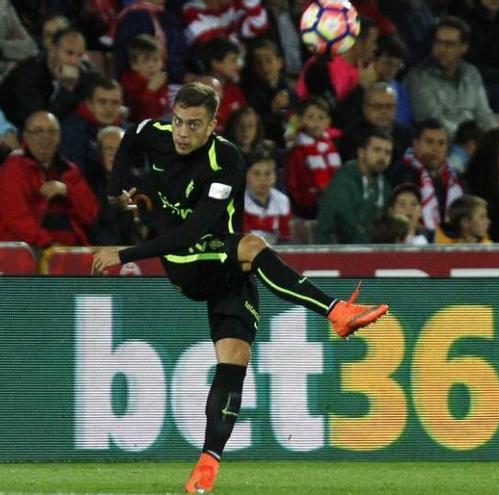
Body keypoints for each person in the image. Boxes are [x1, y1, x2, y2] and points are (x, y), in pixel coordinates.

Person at [90, 82, 388, 494]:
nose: (181, 132)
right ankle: (337, 312)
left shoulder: (226, 159)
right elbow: (133, 136)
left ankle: (207, 464)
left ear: (213, 125)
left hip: (223, 266)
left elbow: (197, 228)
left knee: (234, 360)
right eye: (177, 120)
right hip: (188, 266)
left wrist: (125, 252)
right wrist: (115, 191)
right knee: (252, 245)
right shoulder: (156, 135)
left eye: (194, 125)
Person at [0, 111, 98, 247]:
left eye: (52, 131)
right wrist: (48, 244)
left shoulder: (69, 170)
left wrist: (67, 191)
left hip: (71, 251)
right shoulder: (13, 168)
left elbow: (90, 214)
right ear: (26, 137)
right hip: (28, 253)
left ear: (59, 136)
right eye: (38, 131)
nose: (45, 137)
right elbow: (16, 218)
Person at [405, 16, 498, 135]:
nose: (441, 48)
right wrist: (473, 140)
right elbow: (434, 123)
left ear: (464, 47)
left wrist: (496, 139)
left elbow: (484, 115)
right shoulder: (419, 78)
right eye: (438, 42)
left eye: (449, 44)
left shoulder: (471, 73)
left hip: (475, 141)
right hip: (442, 145)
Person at [315, 128, 394, 244]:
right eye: (377, 150)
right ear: (361, 153)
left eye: (387, 152)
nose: (382, 157)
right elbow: (324, 231)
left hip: (376, 256)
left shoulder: (385, 187)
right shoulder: (342, 183)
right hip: (346, 256)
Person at [388, 118, 463, 236]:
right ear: (416, 144)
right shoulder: (402, 172)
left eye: (441, 143)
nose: (436, 148)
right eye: (429, 141)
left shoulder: (455, 177)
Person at [285, 96, 341, 218]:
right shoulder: (297, 150)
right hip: (306, 208)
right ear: (301, 120)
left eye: (321, 117)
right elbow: (292, 183)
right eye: (310, 117)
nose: (316, 122)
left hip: (330, 205)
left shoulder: (331, 147)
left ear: (328, 122)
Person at [60, 77, 125, 173]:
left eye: (115, 103)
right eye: (102, 102)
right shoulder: (72, 132)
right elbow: (75, 174)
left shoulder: (130, 131)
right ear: (89, 104)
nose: (109, 108)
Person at [243, 141, 290, 245]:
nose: (262, 179)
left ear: (275, 176)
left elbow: (285, 240)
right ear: (246, 175)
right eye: (256, 173)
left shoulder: (282, 201)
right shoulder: (238, 202)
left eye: (268, 174)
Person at [120, 34, 169, 123]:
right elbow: (141, 116)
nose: (151, 65)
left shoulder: (161, 81)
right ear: (134, 65)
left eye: (155, 60)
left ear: (162, 63)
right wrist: (150, 90)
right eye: (145, 60)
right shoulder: (129, 84)